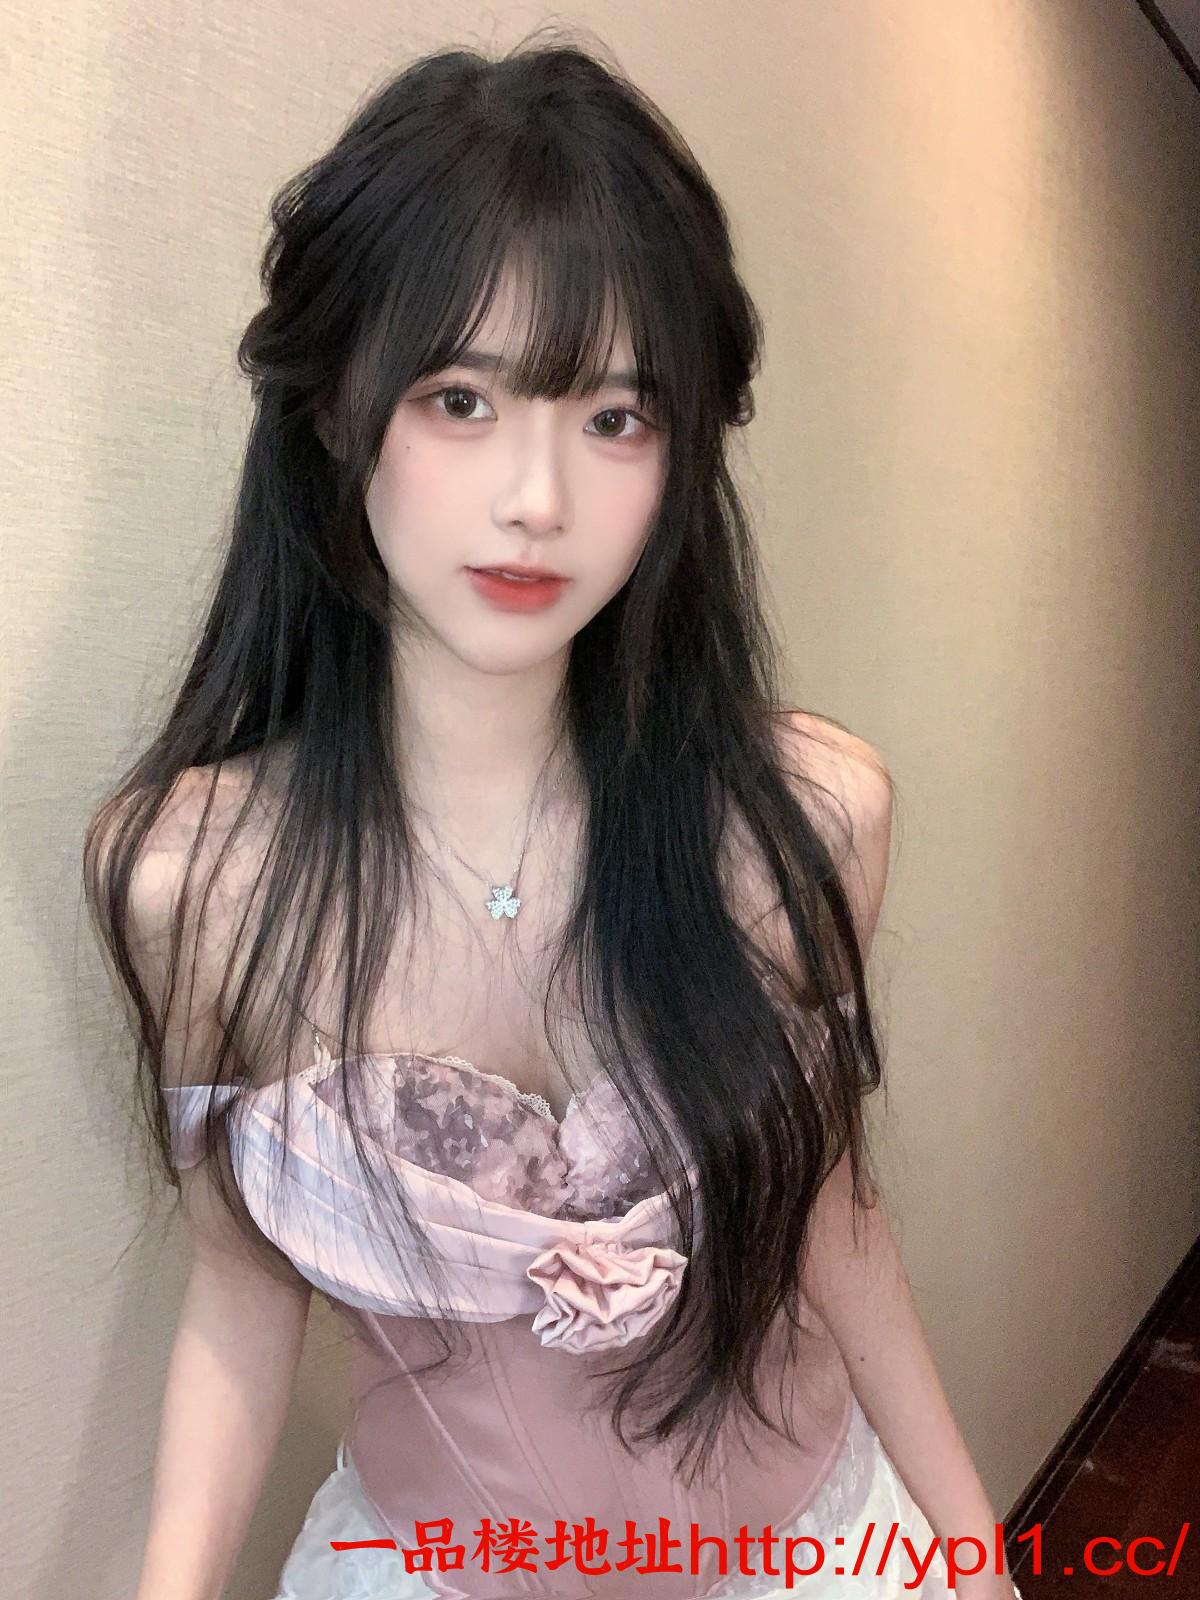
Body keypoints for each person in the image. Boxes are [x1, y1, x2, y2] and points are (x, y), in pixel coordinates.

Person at [83, 29, 1023, 1600]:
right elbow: (241, 1295)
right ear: (335, 411)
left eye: (614, 417)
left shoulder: (803, 822)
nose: (538, 499)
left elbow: (835, 1220)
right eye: (461, 398)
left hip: (820, 1553)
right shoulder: (193, 878)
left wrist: (975, 1558)